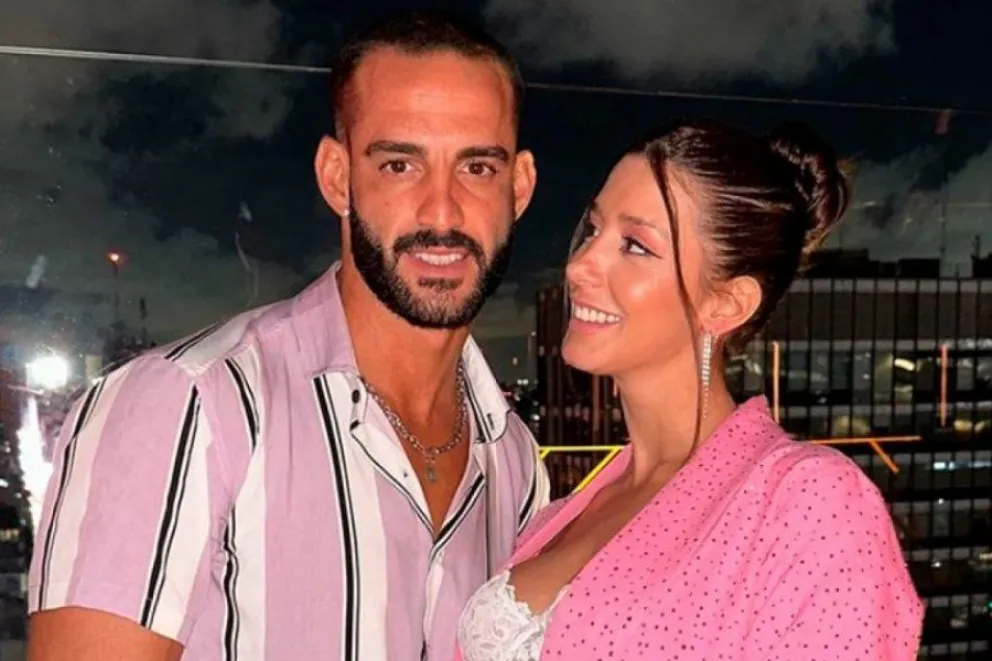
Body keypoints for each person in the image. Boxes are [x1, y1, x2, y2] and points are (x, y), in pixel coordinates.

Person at [27, 11, 548, 661]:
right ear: (337, 178)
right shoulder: (186, 407)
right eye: (399, 165)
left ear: (519, 187)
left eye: (477, 168)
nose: (442, 211)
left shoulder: (513, 460)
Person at [456, 119, 924, 661]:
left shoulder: (808, 503)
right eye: (592, 229)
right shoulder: (561, 511)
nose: (581, 265)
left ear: (726, 304)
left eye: (635, 246)